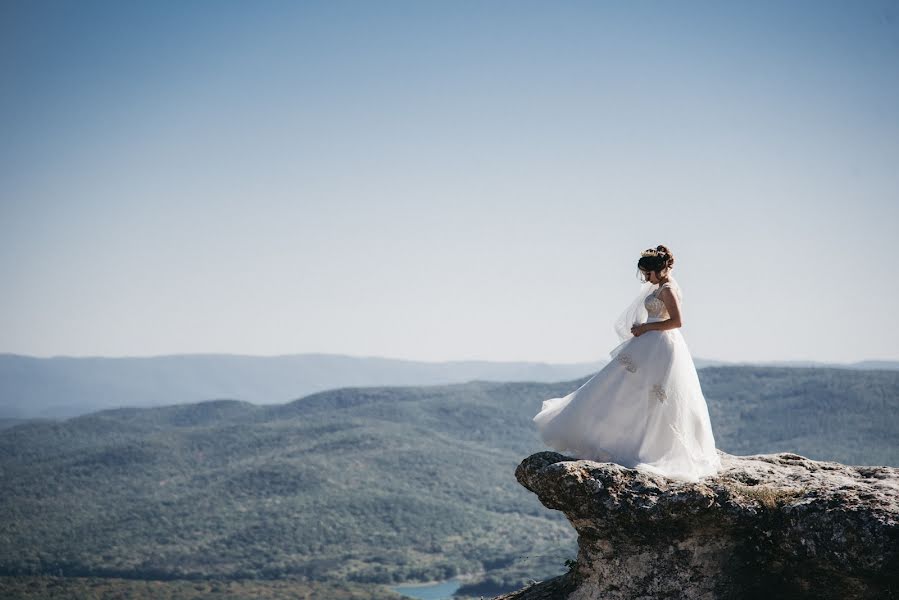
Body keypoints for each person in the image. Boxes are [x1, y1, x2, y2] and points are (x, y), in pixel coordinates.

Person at [532, 245, 722, 483]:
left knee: (654, 395)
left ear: (658, 269)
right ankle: (623, 438)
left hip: (661, 346)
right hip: (649, 344)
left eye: (647, 273)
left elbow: (676, 321)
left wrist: (645, 327)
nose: (644, 277)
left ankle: (649, 447)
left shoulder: (668, 290)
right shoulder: (660, 287)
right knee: (625, 388)